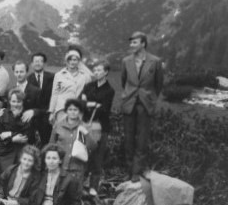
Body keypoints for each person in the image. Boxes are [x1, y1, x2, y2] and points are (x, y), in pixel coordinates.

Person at [121, 31, 164, 182]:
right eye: (131, 42)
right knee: (128, 139)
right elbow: (124, 82)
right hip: (129, 103)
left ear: (143, 44)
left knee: (142, 140)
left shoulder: (155, 61)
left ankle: (136, 172)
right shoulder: (126, 61)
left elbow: (158, 85)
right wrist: (128, 95)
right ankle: (128, 170)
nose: (131, 45)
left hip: (145, 105)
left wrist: (149, 98)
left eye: (134, 42)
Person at [81, 60, 115, 194]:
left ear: (106, 72)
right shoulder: (88, 86)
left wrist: (88, 103)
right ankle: (80, 185)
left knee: (97, 158)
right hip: (86, 125)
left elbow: (104, 109)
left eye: (99, 70)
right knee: (82, 154)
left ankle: (93, 188)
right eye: (94, 70)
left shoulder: (109, 90)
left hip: (101, 127)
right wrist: (93, 104)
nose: (96, 73)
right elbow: (80, 102)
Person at [0, 88, 36, 172]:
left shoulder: (27, 115)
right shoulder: (3, 114)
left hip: (19, 151)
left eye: (18, 101)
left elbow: (26, 137)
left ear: (22, 102)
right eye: (13, 101)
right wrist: (12, 138)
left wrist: (10, 134)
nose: (16, 104)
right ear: (9, 101)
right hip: (3, 150)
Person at [49, 99, 96, 183]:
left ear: (79, 112)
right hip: (60, 166)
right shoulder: (58, 126)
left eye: (75, 110)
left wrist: (86, 133)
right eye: (70, 109)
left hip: (76, 168)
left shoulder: (85, 126)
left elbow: (93, 147)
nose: (72, 112)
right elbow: (51, 146)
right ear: (66, 111)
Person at [49, 48, 93, 124]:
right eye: (69, 59)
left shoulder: (84, 76)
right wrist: (51, 112)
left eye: (75, 60)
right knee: (62, 129)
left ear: (79, 61)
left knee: (76, 130)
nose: (72, 62)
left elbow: (90, 88)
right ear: (66, 61)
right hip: (62, 108)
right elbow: (55, 94)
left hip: (78, 109)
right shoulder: (59, 75)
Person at [27, 52, 55, 145]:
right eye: (35, 61)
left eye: (40, 61)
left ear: (44, 64)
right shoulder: (28, 79)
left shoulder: (53, 77)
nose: (37, 63)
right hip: (33, 116)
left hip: (48, 115)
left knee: (46, 143)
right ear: (32, 64)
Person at [12, 60, 41, 126]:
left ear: (27, 72)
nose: (19, 74)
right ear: (14, 73)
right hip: (13, 125)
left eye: (21, 72)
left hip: (30, 125)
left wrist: (33, 111)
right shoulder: (10, 90)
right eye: (16, 72)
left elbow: (42, 109)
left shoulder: (36, 91)